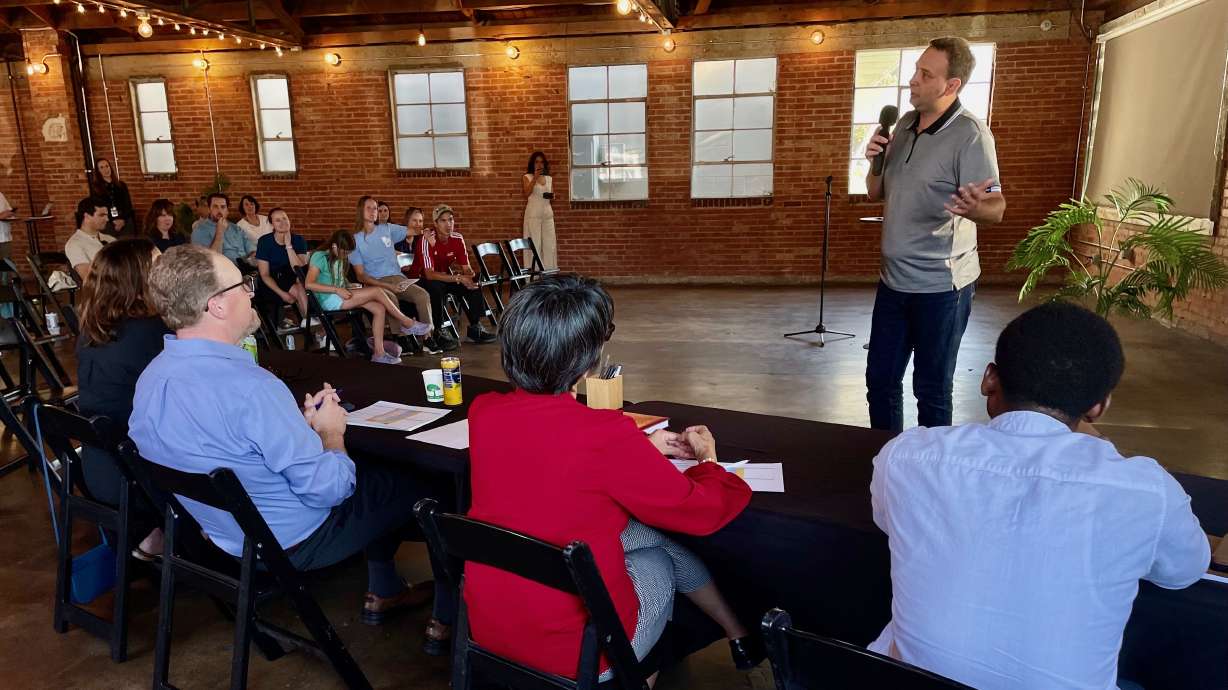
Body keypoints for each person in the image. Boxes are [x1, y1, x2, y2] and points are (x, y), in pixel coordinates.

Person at [868, 302, 1210, 690]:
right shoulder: (1146, 491)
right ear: (1099, 406)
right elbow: (1185, 570)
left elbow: (885, 518)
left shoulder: (907, 457)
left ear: (989, 379)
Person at [129, 243, 454, 631]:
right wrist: (331, 433)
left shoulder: (152, 378)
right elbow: (331, 491)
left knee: (369, 469)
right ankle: (447, 616)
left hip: (226, 536)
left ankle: (385, 589)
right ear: (216, 306)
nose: (250, 293)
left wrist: (294, 427)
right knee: (432, 480)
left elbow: (215, 444)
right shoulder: (251, 387)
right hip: (295, 540)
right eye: (242, 285)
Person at [466, 274, 763, 681]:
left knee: (650, 538)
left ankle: (737, 632)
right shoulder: (605, 435)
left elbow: (554, 455)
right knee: (660, 557)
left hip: (492, 627)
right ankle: (647, 672)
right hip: (576, 651)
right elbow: (700, 512)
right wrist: (708, 460)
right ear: (589, 360)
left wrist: (641, 448)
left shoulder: (484, 412)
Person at [862, 36, 1005, 432]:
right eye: (916, 70)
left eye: (926, 75)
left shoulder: (971, 135)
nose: (913, 80)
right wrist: (874, 161)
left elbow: (996, 207)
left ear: (951, 85)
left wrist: (975, 207)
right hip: (893, 282)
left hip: (942, 289)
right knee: (880, 383)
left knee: (932, 389)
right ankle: (887, 456)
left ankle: (933, 462)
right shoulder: (904, 125)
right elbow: (875, 193)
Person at [76, 238, 170, 561]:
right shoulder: (150, 332)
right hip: (139, 477)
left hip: (100, 470)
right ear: (138, 279)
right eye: (158, 264)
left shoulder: (92, 329)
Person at [305, 229, 431, 364]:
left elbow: (336, 280)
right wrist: (337, 289)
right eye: (344, 253)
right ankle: (407, 322)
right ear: (334, 246)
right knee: (377, 291)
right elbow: (308, 284)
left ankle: (379, 353)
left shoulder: (337, 257)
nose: (345, 256)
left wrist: (348, 285)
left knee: (379, 309)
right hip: (328, 299)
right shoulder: (319, 256)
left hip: (338, 295)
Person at [348, 196, 444, 353]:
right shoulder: (355, 241)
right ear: (360, 211)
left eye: (375, 208)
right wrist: (386, 285)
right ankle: (400, 337)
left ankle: (427, 338)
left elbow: (413, 230)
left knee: (423, 296)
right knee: (391, 299)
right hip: (376, 282)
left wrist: (425, 232)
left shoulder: (387, 228)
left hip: (398, 278)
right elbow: (360, 275)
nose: (373, 212)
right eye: (369, 208)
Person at [416, 204, 496, 344]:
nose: (448, 224)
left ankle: (475, 327)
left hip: (446, 278)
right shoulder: (426, 239)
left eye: (451, 219)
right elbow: (429, 274)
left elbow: (466, 268)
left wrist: (469, 276)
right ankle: (438, 331)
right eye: (443, 220)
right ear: (435, 223)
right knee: (435, 286)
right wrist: (459, 278)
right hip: (424, 280)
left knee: (475, 280)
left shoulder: (457, 238)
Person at [254, 207, 309, 324]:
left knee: (302, 285)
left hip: (294, 277)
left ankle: (309, 322)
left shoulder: (298, 239)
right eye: (278, 220)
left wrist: (289, 246)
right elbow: (264, 275)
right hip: (273, 280)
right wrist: (282, 294)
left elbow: (300, 269)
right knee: (301, 290)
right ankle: (311, 323)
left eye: (285, 218)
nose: (283, 222)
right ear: (272, 224)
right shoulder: (264, 241)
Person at [191, 193, 256, 270]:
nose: (219, 210)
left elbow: (251, 248)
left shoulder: (236, 228)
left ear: (227, 210)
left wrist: (254, 255)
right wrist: (220, 232)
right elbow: (208, 261)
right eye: (215, 206)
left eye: (223, 207)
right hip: (223, 271)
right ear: (209, 209)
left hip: (247, 267)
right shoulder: (200, 231)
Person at [65, 197, 117, 284]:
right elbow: (89, 279)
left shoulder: (110, 239)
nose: (107, 219)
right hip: (107, 288)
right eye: (102, 215)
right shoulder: (74, 244)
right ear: (87, 216)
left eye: (107, 215)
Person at [522, 151, 557, 270]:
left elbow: (552, 194)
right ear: (532, 163)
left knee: (550, 245)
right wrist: (535, 178)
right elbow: (527, 193)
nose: (539, 164)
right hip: (533, 215)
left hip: (547, 215)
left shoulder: (549, 178)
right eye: (536, 162)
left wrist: (552, 196)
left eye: (542, 162)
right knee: (534, 245)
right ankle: (534, 276)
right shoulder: (527, 177)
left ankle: (549, 275)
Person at [89, 158, 135, 238]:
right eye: (101, 167)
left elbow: (128, 205)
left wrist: (122, 220)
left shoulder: (121, 185)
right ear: (98, 171)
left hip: (125, 220)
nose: (105, 169)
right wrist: (112, 221)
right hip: (108, 223)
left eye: (107, 166)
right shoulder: (96, 189)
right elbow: (98, 208)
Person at [0, 190, 14, 266]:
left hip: (5, 236)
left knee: (7, 263)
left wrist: (10, 213)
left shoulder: (0, 195)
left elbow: (8, 210)